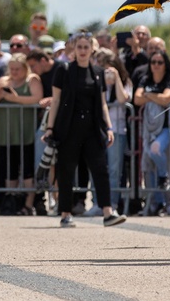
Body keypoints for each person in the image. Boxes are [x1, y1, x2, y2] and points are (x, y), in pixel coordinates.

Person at [42, 31, 126, 228]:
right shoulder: (63, 70)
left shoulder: (97, 72)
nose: (82, 51)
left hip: (92, 129)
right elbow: (55, 101)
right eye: (79, 47)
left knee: (100, 169)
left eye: (86, 47)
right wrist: (50, 128)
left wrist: (109, 127)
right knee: (66, 170)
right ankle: (65, 213)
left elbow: (103, 103)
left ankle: (107, 212)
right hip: (68, 128)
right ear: (74, 48)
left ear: (92, 49)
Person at [0, 54, 43, 215]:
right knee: (9, 168)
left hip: (25, 131)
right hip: (6, 132)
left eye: (18, 69)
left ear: (25, 68)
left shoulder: (32, 80)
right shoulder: (4, 81)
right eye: (12, 69)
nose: (15, 72)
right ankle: (11, 201)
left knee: (27, 169)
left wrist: (14, 98)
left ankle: (28, 204)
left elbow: (37, 98)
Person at [134, 50, 170, 217]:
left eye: (160, 62)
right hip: (149, 130)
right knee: (148, 166)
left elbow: (168, 98)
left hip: (168, 128)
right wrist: (155, 96)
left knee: (158, 153)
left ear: (165, 64)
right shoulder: (145, 79)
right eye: (153, 62)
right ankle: (157, 203)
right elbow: (137, 99)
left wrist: (148, 94)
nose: (156, 65)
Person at [95, 49, 131, 212]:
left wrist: (116, 79)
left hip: (118, 130)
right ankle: (97, 203)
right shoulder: (98, 81)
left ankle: (112, 204)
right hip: (99, 130)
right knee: (97, 168)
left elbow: (123, 99)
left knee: (115, 170)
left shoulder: (126, 82)